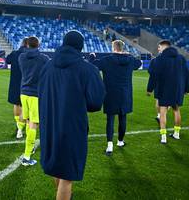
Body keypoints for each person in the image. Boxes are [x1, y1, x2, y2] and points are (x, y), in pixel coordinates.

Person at [39, 30, 105, 200]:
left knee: (56, 167)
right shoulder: (87, 69)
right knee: (67, 174)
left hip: (49, 123)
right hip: (72, 126)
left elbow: (41, 92)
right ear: (80, 47)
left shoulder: (47, 66)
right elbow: (96, 102)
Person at [90, 40, 142, 155]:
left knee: (110, 119)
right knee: (122, 118)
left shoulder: (107, 60)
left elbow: (93, 66)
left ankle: (110, 145)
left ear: (113, 47)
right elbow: (139, 63)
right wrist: (129, 54)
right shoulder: (130, 59)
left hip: (110, 93)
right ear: (122, 48)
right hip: (125, 93)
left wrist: (92, 56)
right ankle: (120, 141)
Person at [147, 40, 189, 144]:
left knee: (163, 113)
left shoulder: (159, 59)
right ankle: (177, 133)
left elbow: (153, 76)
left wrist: (149, 89)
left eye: (159, 47)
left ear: (162, 47)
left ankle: (163, 137)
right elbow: (187, 75)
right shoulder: (181, 58)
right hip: (177, 89)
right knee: (176, 110)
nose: (158, 49)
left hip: (164, 89)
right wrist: (187, 89)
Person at [18, 36, 49, 166]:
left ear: (27, 45)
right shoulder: (44, 58)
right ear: (38, 45)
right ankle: (27, 156)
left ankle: (29, 149)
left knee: (29, 122)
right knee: (33, 124)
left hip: (23, 93)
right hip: (35, 94)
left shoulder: (21, 57)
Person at [5, 38, 28, 139]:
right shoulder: (29, 54)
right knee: (25, 107)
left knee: (16, 104)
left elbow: (7, 60)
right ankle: (20, 128)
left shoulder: (15, 53)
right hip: (26, 83)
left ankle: (18, 125)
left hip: (14, 83)